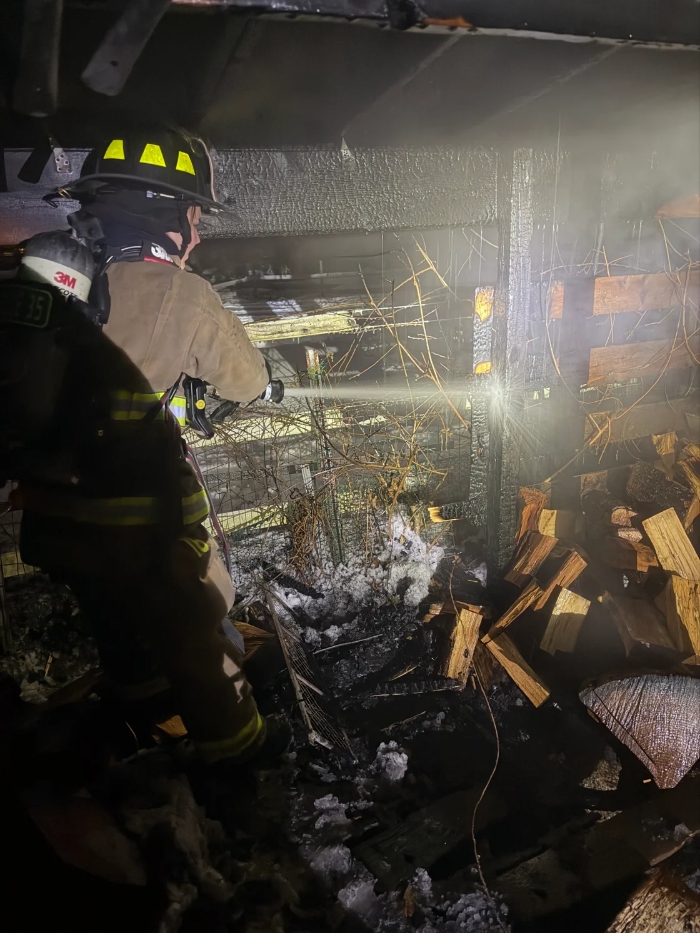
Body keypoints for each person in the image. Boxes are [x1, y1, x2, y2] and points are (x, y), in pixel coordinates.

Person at [0, 232, 276, 766]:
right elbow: (245, 381)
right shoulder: (171, 293)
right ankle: (244, 765)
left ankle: (152, 740)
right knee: (200, 642)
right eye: (193, 220)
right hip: (142, 528)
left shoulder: (53, 307)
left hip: (55, 528)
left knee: (122, 637)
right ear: (177, 218)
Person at [60, 125, 269, 406]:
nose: (195, 240)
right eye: (194, 225)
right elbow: (247, 382)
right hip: (108, 449)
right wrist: (264, 380)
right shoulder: (183, 295)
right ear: (166, 217)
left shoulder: (58, 258)